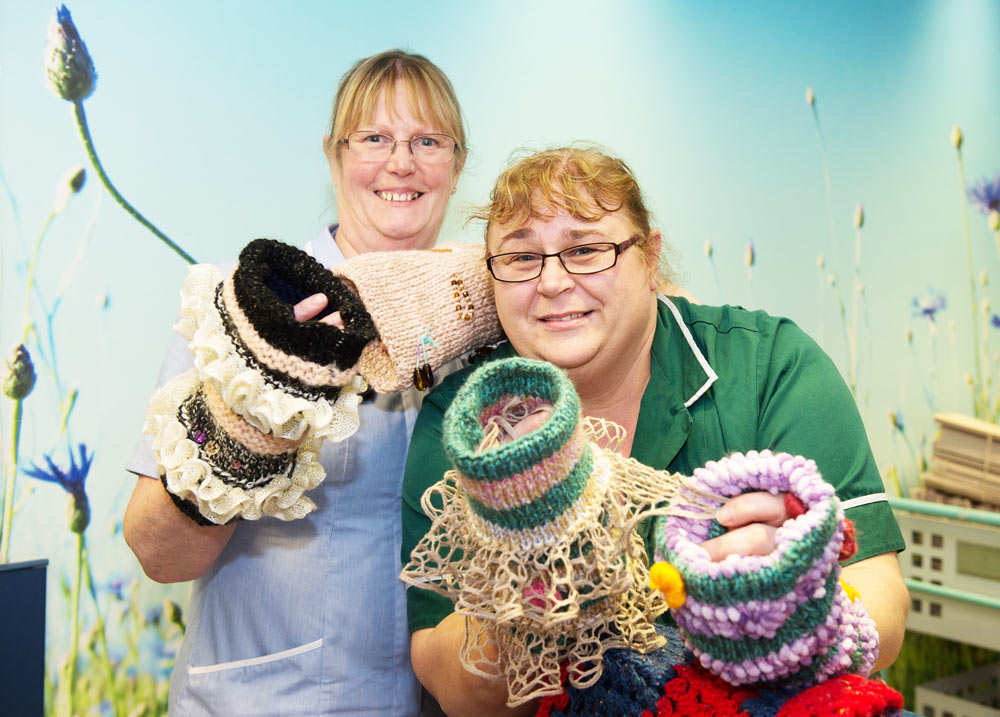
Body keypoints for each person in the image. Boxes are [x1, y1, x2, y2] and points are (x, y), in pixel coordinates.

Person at [400, 147, 909, 716]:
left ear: (650, 259)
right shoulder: (465, 419)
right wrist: (523, 595)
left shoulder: (769, 366)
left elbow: (885, 609)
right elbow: (452, 682)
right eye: (521, 257)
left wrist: (789, 609)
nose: (552, 282)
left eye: (586, 249)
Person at [124, 49, 467, 716]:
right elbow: (157, 551)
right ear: (335, 155)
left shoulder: (476, 330)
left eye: (427, 140)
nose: (402, 162)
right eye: (375, 138)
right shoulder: (244, 308)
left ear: (455, 163)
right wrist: (250, 420)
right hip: (266, 698)